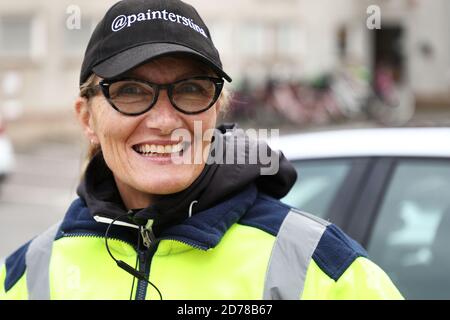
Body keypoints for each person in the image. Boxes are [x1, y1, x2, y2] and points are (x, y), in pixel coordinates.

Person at [0, 0, 403, 300]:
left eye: (190, 90)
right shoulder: (29, 272)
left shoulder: (320, 266)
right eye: (131, 91)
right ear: (87, 118)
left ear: (217, 109)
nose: (163, 120)